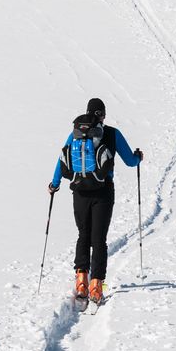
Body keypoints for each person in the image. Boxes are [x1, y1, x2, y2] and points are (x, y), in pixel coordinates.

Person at [48, 98, 143, 303]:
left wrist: (54, 184)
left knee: (84, 234)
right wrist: (138, 157)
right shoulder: (112, 134)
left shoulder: (76, 134)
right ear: (104, 114)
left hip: (79, 191)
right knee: (99, 239)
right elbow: (129, 161)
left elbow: (61, 159)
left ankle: (81, 279)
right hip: (103, 192)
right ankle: (96, 286)